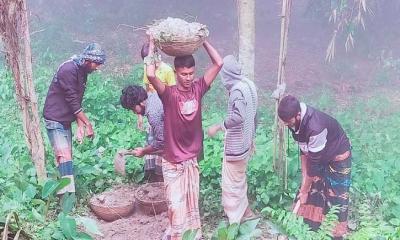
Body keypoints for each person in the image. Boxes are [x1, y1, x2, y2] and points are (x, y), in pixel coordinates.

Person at [145, 34, 223, 240]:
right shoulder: (169, 94)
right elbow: (151, 75)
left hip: (190, 160)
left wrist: (203, 41)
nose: (188, 78)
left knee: (190, 204)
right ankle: (176, 234)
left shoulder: (198, 88)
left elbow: (219, 62)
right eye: (183, 74)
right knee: (174, 205)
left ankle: (189, 235)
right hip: (172, 162)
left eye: (191, 73)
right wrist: (152, 44)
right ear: (176, 73)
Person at [278, 95, 352, 239]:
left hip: (337, 156)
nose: (285, 124)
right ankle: (307, 230)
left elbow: (314, 163)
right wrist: (304, 180)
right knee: (310, 189)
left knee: (336, 196)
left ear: (298, 115)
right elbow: (304, 151)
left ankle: (336, 234)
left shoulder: (315, 127)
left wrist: (305, 189)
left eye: (287, 122)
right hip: (318, 155)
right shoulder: (294, 123)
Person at [43, 43, 106, 195]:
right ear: (88, 60)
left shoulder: (83, 71)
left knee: (67, 159)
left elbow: (77, 100)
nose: (98, 68)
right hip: (55, 119)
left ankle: (66, 195)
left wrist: (79, 125)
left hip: (65, 120)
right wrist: (87, 123)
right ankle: (66, 198)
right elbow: (71, 99)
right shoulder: (68, 69)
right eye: (96, 64)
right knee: (64, 157)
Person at [207, 55, 258, 224]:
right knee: (239, 180)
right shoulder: (249, 85)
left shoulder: (237, 90)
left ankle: (235, 220)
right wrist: (252, 137)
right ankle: (247, 212)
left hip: (237, 146)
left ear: (226, 74)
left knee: (231, 185)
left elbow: (239, 116)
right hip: (246, 142)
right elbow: (254, 113)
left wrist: (219, 126)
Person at [137, 43, 175, 180]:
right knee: (152, 141)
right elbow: (146, 90)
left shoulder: (167, 70)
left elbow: (172, 94)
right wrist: (141, 116)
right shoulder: (148, 69)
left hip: (162, 112)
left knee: (161, 141)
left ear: (157, 56)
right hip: (151, 110)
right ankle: (152, 174)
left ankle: (162, 174)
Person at [120, 85, 165, 182]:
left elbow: (162, 143)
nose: (134, 112)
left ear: (141, 103)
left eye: (133, 108)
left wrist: (144, 151)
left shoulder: (153, 113)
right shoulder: (152, 96)